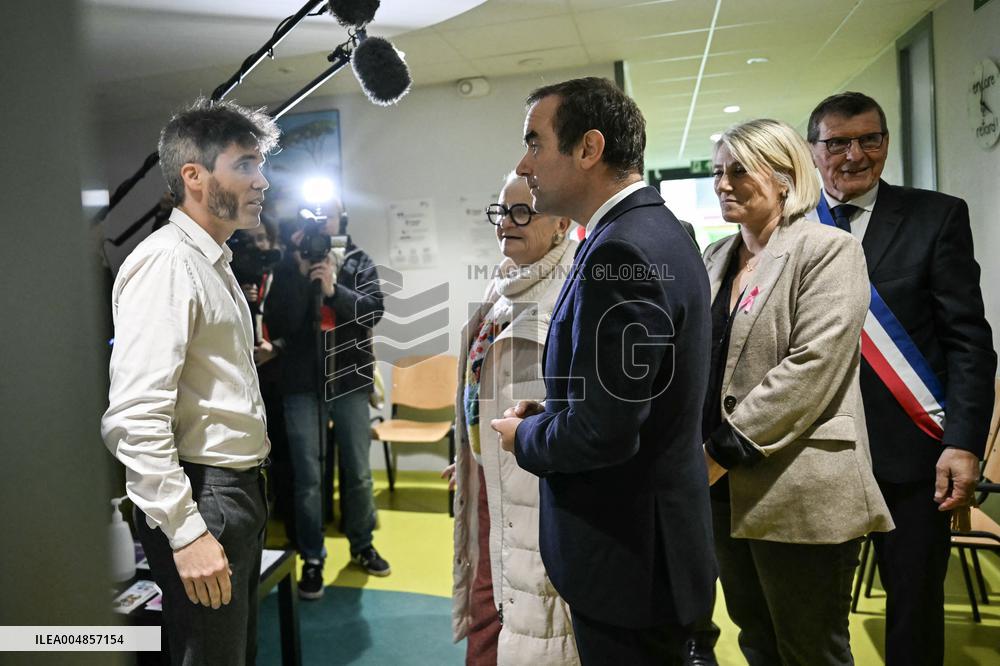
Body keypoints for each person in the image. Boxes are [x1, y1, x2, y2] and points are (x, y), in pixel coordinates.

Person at [490, 77, 716, 665]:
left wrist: (527, 437)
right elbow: (633, 392)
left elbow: (606, 431)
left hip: (630, 558)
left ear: (588, 148)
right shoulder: (657, 231)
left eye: (535, 143)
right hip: (652, 549)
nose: (524, 162)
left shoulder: (622, 251)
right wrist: (556, 412)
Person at [807, 92, 996, 665]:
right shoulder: (791, 228)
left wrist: (963, 442)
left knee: (914, 611)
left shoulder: (936, 216)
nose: (855, 155)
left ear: (886, 143)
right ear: (813, 151)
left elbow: (969, 341)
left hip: (914, 459)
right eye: (837, 142)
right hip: (815, 457)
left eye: (870, 139)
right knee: (812, 617)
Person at [701, 118, 893, 666]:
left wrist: (721, 451)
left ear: (786, 177)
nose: (723, 183)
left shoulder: (828, 249)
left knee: (811, 650)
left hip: (800, 486)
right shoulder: (714, 257)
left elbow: (812, 367)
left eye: (740, 169)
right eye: (718, 172)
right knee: (755, 638)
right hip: (722, 493)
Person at [101, 97, 279, 665]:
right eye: (246, 165)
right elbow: (134, 415)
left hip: (236, 487)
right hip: (205, 494)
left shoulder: (212, 261)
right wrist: (186, 530)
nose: (262, 181)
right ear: (194, 176)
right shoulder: (168, 262)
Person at [449, 173, 579, 665]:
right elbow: (483, 383)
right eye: (501, 212)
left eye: (523, 212)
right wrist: (470, 450)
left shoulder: (572, 288)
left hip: (537, 488)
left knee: (536, 622)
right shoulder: (503, 282)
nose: (507, 224)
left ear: (562, 221)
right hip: (491, 477)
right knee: (488, 607)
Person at [264, 198, 387, 600]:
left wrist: (335, 290)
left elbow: (373, 312)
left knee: (358, 471)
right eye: (313, 213)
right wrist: (301, 276)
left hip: (349, 378)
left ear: (341, 218)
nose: (321, 220)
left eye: (328, 213)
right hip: (302, 381)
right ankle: (311, 558)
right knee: (308, 478)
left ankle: (362, 544)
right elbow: (278, 323)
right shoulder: (287, 263)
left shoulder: (358, 259)